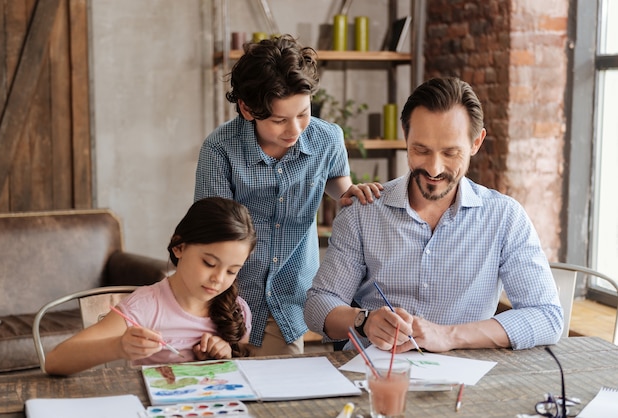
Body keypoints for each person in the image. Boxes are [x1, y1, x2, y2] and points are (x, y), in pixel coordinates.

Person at [304, 77, 563, 353]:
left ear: (476, 142)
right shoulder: (363, 212)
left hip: (466, 377)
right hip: (374, 375)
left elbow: (547, 316)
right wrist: (362, 321)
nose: (434, 168)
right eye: (421, 150)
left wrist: (449, 336)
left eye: (450, 152)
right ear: (406, 135)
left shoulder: (505, 218)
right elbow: (319, 305)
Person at [194, 34, 382, 356]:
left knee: (279, 395)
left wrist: (350, 193)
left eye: (303, 114)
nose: (294, 129)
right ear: (247, 108)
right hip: (229, 297)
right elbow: (211, 234)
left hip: (289, 295)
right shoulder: (220, 149)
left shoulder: (327, 138)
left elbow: (338, 183)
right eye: (279, 120)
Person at [44, 197, 257, 375]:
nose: (218, 279)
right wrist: (118, 347)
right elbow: (55, 361)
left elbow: (243, 377)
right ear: (179, 247)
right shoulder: (145, 307)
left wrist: (224, 357)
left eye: (232, 271)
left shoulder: (238, 311)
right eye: (209, 263)